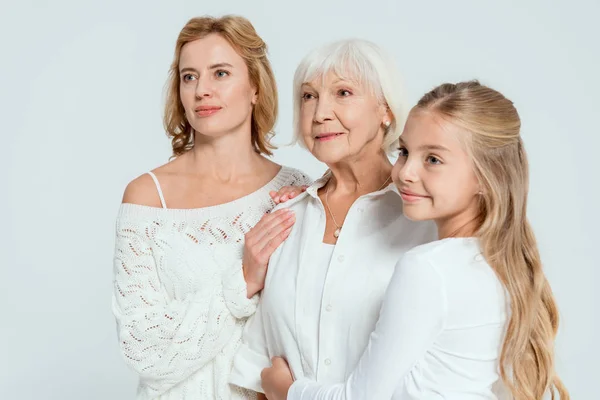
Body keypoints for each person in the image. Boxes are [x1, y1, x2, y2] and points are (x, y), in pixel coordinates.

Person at [261, 81, 569, 400]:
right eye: (404, 152)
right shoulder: (497, 260)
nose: (406, 172)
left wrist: (284, 388)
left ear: (486, 175)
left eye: (433, 159)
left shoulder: (428, 268)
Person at [112, 15, 311, 400]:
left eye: (220, 73)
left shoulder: (294, 190)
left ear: (255, 86)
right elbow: (143, 350)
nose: (202, 89)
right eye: (189, 76)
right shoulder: (147, 199)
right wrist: (243, 280)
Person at [228, 39, 436, 398]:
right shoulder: (284, 217)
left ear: (385, 109)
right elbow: (257, 366)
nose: (320, 112)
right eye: (309, 96)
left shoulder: (426, 219)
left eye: (343, 92)